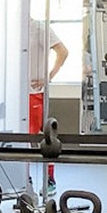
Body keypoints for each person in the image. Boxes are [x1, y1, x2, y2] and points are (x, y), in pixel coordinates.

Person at [28, 19, 68, 195]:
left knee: (39, 137)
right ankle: (23, 179)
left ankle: (49, 178)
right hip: (12, 93)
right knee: (17, 137)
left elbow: (63, 51)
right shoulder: (7, 28)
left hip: (34, 93)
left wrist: (48, 76)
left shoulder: (39, 27)